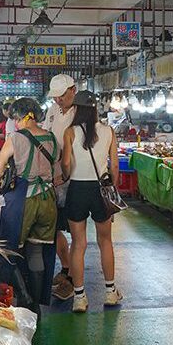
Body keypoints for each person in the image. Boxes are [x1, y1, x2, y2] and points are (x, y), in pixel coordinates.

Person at [0, 98, 60, 308]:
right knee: (37, 251)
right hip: (48, 200)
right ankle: (36, 304)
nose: (16, 123)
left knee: (9, 249)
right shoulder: (52, 138)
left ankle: (25, 297)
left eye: (16, 118)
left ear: (27, 116)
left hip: (24, 200)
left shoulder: (15, 138)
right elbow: (60, 172)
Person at [60, 90, 122, 313]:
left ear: (76, 108)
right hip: (100, 191)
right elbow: (114, 166)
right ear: (95, 109)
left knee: (78, 244)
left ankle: (79, 297)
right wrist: (112, 189)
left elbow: (66, 163)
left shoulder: (70, 132)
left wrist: (66, 174)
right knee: (105, 241)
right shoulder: (108, 131)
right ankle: (110, 291)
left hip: (77, 189)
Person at [43, 74, 78, 301]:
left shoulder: (81, 114)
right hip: (55, 176)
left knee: (77, 231)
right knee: (54, 228)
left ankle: (74, 279)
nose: (58, 101)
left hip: (75, 177)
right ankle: (66, 269)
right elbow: (47, 137)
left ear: (73, 90)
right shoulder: (53, 111)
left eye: (62, 96)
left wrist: (66, 174)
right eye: (55, 97)